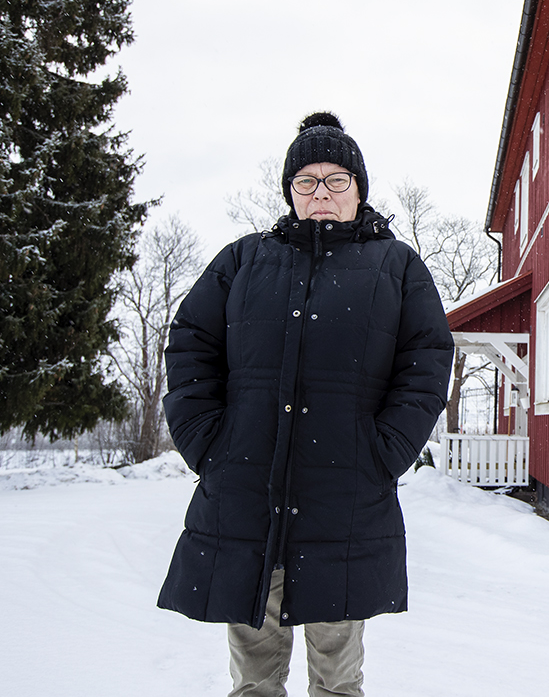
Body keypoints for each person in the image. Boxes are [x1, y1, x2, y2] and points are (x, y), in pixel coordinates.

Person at [158, 112, 454, 697]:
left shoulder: (395, 266)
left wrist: (385, 450)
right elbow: (190, 343)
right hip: (248, 497)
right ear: (290, 191)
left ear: (359, 189)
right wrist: (207, 441)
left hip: (343, 501)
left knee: (338, 678)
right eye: (307, 181)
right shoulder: (243, 261)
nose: (321, 193)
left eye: (336, 180)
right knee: (254, 679)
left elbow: (425, 361)